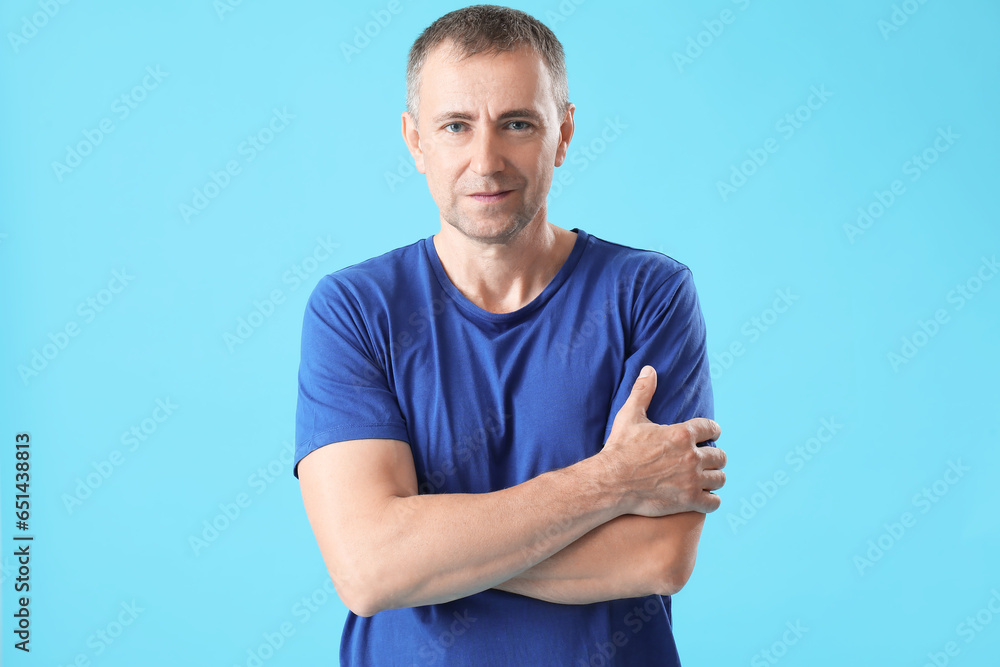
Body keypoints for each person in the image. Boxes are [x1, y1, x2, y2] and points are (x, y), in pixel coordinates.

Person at [293, 5, 727, 665]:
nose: (485, 159)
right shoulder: (355, 309)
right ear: (415, 140)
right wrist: (612, 482)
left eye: (517, 123)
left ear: (564, 133)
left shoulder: (649, 293)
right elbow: (368, 568)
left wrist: (428, 550)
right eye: (455, 126)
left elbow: (659, 555)